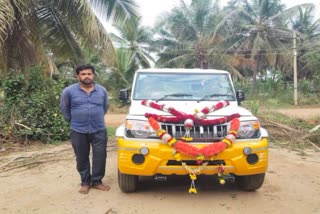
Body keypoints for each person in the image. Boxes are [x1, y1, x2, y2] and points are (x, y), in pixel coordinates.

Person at [60, 64, 110, 194]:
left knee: (100, 156)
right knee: (81, 157)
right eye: (83, 74)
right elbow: (65, 109)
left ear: (93, 75)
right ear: (77, 76)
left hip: (99, 129)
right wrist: (75, 120)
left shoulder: (102, 91)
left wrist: (95, 117)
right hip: (78, 130)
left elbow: (105, 107)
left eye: (89, 74)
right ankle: (85, 182)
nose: (86, 76)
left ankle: (97, 181)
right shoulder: (69, 91)